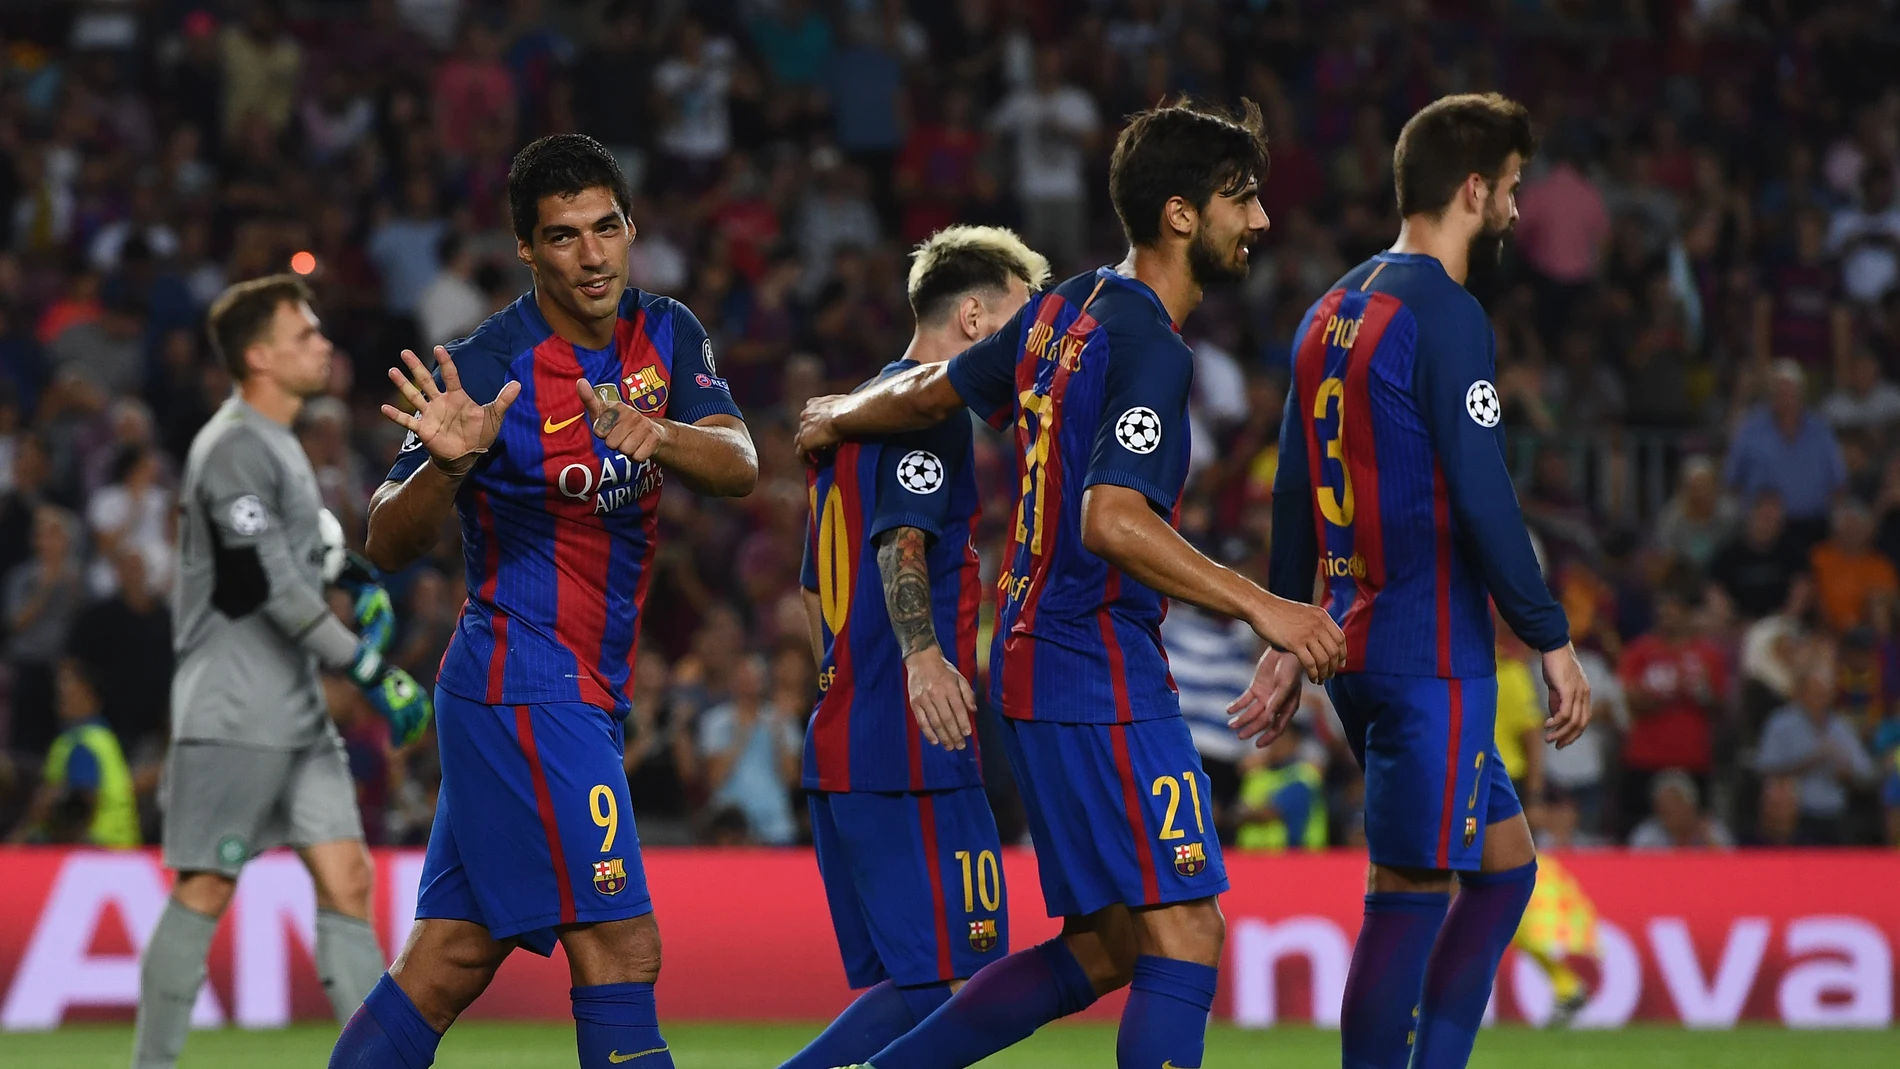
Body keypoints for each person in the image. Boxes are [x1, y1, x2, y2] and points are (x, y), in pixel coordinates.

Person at [794, 99, 1344, 1069]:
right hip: (1093, 665)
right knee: (1186, 933)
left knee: (1107, 947)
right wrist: (1270, 607)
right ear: (1181, 214)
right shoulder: (1147, 347)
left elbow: (929, 390)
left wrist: (844, 407)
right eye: (1241, 199)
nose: (1259, 221)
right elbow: (1113, 519)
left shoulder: (1063, 308)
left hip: (1037, 660)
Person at [333, 134, 756, 1069]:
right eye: (564, 237)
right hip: (524, 681)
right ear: (527, 249)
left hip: (578, 693)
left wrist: (661, 432)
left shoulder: (670, 332)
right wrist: (447, 469)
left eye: (607, 228)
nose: (593, 255)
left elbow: (740, 465)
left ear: (632, 227)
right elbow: (387, 540)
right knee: (621, 947)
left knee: (446, 959)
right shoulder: (488, 366)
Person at [1262, 93, 1592, 1069]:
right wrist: (1549, 634)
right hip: (1426, 659)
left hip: (1356, 645)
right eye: (1512, 191)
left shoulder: (1329, 308)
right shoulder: (1446, 314)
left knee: (1502, 870)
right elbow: (1484, 496)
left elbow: (1290, 490)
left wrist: (1287, 632)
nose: (1516, 214)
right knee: (1408, 896)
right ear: (1473, 187)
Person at [135, 275, 430, 1069]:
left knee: (347, 879)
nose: (323, 345)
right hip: (231, 714)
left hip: (296, 713)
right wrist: (372, 668)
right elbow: (269, 585)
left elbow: (306, 549)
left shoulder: (278, 445)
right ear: (260, 357)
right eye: (305, 336)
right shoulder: (231, 444)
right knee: (204, 890)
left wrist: (354, 574)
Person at [781, 225, 1047, 1069]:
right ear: (973, 318)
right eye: (1022, 322)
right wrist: (924, 656)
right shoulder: (925, 414)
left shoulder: (851, 417)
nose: (1033, 345)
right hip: (908, 732)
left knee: (916, 981)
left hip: (846, 733)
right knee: (951, 982)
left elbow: (809, 590)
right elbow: (901, 541)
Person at [6, 659, 138, 847]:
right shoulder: (98, 737)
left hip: (95, 849)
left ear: (90, 695)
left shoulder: (82, 743)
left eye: (69, 686)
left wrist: (26, 831)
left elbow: (81, 804)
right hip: (118, 849)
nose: (61, 694)